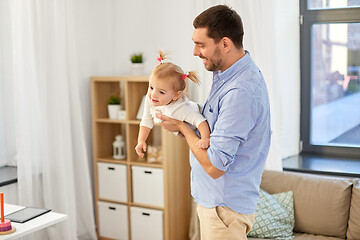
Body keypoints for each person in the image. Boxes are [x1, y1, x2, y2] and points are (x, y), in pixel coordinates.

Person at [156, 5, 271, 240]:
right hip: (219, 206)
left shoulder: (240, 90)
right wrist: (187, 115)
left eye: (201, 44)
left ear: (225, 44)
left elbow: (215, 166)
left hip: (223, 209)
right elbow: (219, 121)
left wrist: (182, 128)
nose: (195, 52)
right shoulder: (229, 74)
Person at [135, 51, 211, 158]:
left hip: (200, 126)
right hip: (183, 129)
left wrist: (205, 138)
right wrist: (141, 141)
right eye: (151, 87)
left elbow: (201, 121)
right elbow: (146, 120)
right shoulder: (150, 99)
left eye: (161, 92)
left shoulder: (181, 109)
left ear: (176, 95)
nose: (153, 95)